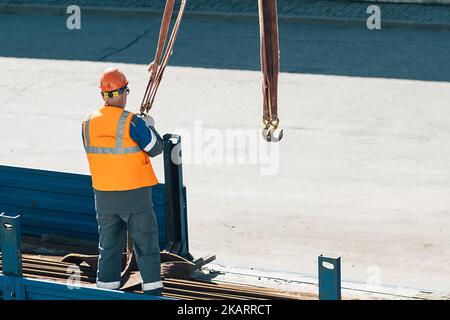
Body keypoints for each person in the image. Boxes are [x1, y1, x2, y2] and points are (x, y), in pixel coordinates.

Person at [81, 67, 164, 295]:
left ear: (103, 95)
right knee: (146, 245)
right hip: (134, 195)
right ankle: (153, 292)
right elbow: (155, 148)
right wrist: (150, 125)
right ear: (124, 92)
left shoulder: (87, 123)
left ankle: (105, 292)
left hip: (104, 197)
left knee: (108, 248)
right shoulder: (132, 122)